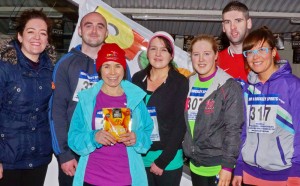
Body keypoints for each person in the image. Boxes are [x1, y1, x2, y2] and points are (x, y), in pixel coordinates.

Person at [68, 43, 153, 186]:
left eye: (117, 66)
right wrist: (93, 137)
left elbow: (148, 134)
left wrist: (136, 138)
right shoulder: (87, 99)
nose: (113, 72)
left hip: (127, 179)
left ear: (123, 69)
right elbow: (73, 138)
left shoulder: (136, 99)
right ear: (100, 69)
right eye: (107, 66)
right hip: (92, 178)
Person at [232, 27, 300, 186]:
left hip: (283, 176)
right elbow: (243, 132)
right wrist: (239, 166)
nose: (255, 57)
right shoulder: (247, 90)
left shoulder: (292, 86)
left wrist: (296, 171)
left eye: (262, 49)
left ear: (274, 51)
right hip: (249, 173)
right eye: (249, 52)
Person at [49, 11, 108, 186]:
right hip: (73, 152)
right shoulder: (65, 64)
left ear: (106, 33)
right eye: (88, 25)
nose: (94, 31)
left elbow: (126, 107)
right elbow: (56, 112)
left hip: (106, 150)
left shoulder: (117, 63)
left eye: (100, 26)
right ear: (80, 31)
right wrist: (64, 154)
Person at [0, 9, 56, 186]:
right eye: (31, 31)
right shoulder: (5, 68)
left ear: (47, 40)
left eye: (42, 33)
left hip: (39, 157)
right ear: (20, 36)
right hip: (8, 157)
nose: (37, 37)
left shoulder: (52, 70)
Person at [183, 34, 244, 186]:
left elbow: (234, 129)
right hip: (195, 163)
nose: (201, 59)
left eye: (207, 54)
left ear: (216, 55)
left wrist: (228, 166)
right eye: (196, 54)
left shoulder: (229, 86)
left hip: (219, 166)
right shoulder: (187, 83)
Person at [132, 31, 189, 186]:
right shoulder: (137, 79)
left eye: (163, 49)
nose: (158, 54)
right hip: (140, 156)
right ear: (147, 52)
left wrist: (162, 161)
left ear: (171, 55)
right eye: (153, 49)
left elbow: (180, 125)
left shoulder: (180, 82)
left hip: (167, 159)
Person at [218, 1, 252, 81]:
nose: (233, 27)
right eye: (227, 22)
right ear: (223, 27)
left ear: (248, 23)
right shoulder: (216, 61)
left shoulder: (264, 56)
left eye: (238, 20)